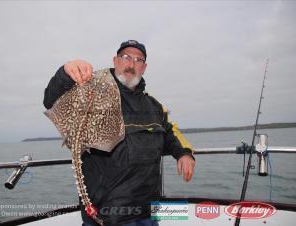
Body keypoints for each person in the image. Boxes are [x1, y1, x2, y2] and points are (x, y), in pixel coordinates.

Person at [43, 40, 195, 226]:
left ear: (144, 67)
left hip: (149, 211)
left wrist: (184, 153)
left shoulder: (154, 106)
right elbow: (51, 100)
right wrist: (66, 73)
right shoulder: (93, 90)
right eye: (126, 57)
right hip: (107, 214)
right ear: (115, 61)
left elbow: (170, 132)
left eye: (138, 60)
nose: (131, 64)